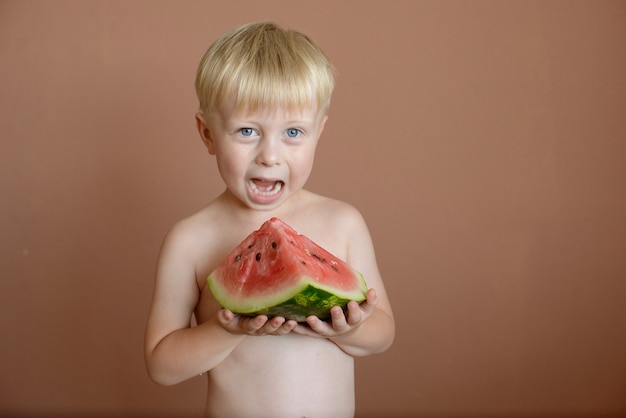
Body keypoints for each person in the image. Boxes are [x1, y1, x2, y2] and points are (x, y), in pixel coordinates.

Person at [144, 21, 395, 418]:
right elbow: (161, 365)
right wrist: (224, 330)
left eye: (293, 132)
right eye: (247, 131)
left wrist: (351, 328)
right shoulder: (189, 240)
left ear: (319, 133)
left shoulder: (344, 222)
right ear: (207, 134)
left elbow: (383, 334)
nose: (270, 155)